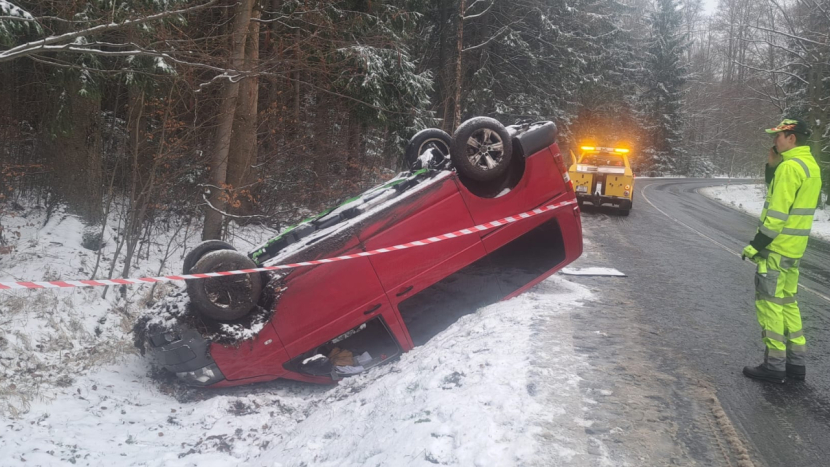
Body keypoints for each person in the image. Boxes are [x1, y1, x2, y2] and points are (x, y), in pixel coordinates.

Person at [741, 118, 822, 383]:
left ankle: (774, 366)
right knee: (788, 303)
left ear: (792, 138)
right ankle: (796, 365)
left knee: (770, 305)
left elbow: (776, 213)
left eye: (779, 136)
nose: (774, 141)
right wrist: (772, 167)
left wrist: (756, 245)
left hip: (776, 249)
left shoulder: (789, 168)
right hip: (794, 250)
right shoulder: (810, 166)